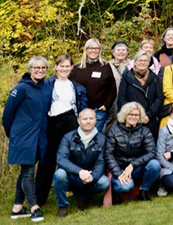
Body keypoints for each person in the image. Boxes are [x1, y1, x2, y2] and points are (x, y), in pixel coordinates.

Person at [4, 56, 50, 222]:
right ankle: (34, 207)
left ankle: (17, 207)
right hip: (23, 137)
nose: (40, 70)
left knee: (26, 171)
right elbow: (7, 114)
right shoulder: (22, 88)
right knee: (29, 171)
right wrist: (14, 134)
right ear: (30, 69)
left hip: (39, 137)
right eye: (36, 68)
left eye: (43, 68)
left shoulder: (46, 87)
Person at [39, 55, 88, 206]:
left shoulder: (77, 86)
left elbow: (83, 108)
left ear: (72, 68)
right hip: (52, 124)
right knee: (47, 160)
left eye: (67, 66)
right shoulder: (46, 84)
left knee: (75, 158)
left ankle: (81, 195)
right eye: (61, 66)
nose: (64, 69)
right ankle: (39, 198)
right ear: (56, 67)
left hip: (71, 123)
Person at [53, 109, 109, 218]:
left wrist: (92, 177)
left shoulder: (102, 139)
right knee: (59, 174)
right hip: (71, 176)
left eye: (91, 118)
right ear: (79, 121)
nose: (88, 121)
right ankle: (62, 206)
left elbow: (101, 162)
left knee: (104, 182)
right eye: (85, 119)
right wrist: (80, 172)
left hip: (89, 177)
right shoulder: (68, 137)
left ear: (95, 120)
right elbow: (61, 159)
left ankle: (83, 198)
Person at [106, 102, 160, 202]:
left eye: (136, 115)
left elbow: (152, 152)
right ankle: (116, 192)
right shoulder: (114, 131)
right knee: (125, 187)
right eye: (130, 114)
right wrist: (118, 173)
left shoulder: (145, 131)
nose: (133, 117)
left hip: (136, 168)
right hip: (120, 168)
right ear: (125, 115)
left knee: (155, 164)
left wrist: (133, 165)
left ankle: (143, 191)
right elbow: (109, 154)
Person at [71, 38, 117, 132]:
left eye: (96, 48)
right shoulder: (76, 68)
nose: (94, 50)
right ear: (86, 50)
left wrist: (106, 105)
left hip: (98, 112)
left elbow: (112, 88)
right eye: (91, 48)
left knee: (94, 138)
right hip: (80, 111)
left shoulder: (105, 66)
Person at [118, 51, 164, 138]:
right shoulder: (126, 77)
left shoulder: (154, 78)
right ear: (135, 62)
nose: (142, 63)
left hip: (149, 119)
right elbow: (121, 99)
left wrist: (148, 115)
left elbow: (159, 98)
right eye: (140, 60)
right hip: (130, 119)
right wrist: (132, 115)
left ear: (149, 62)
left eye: (145, 60)